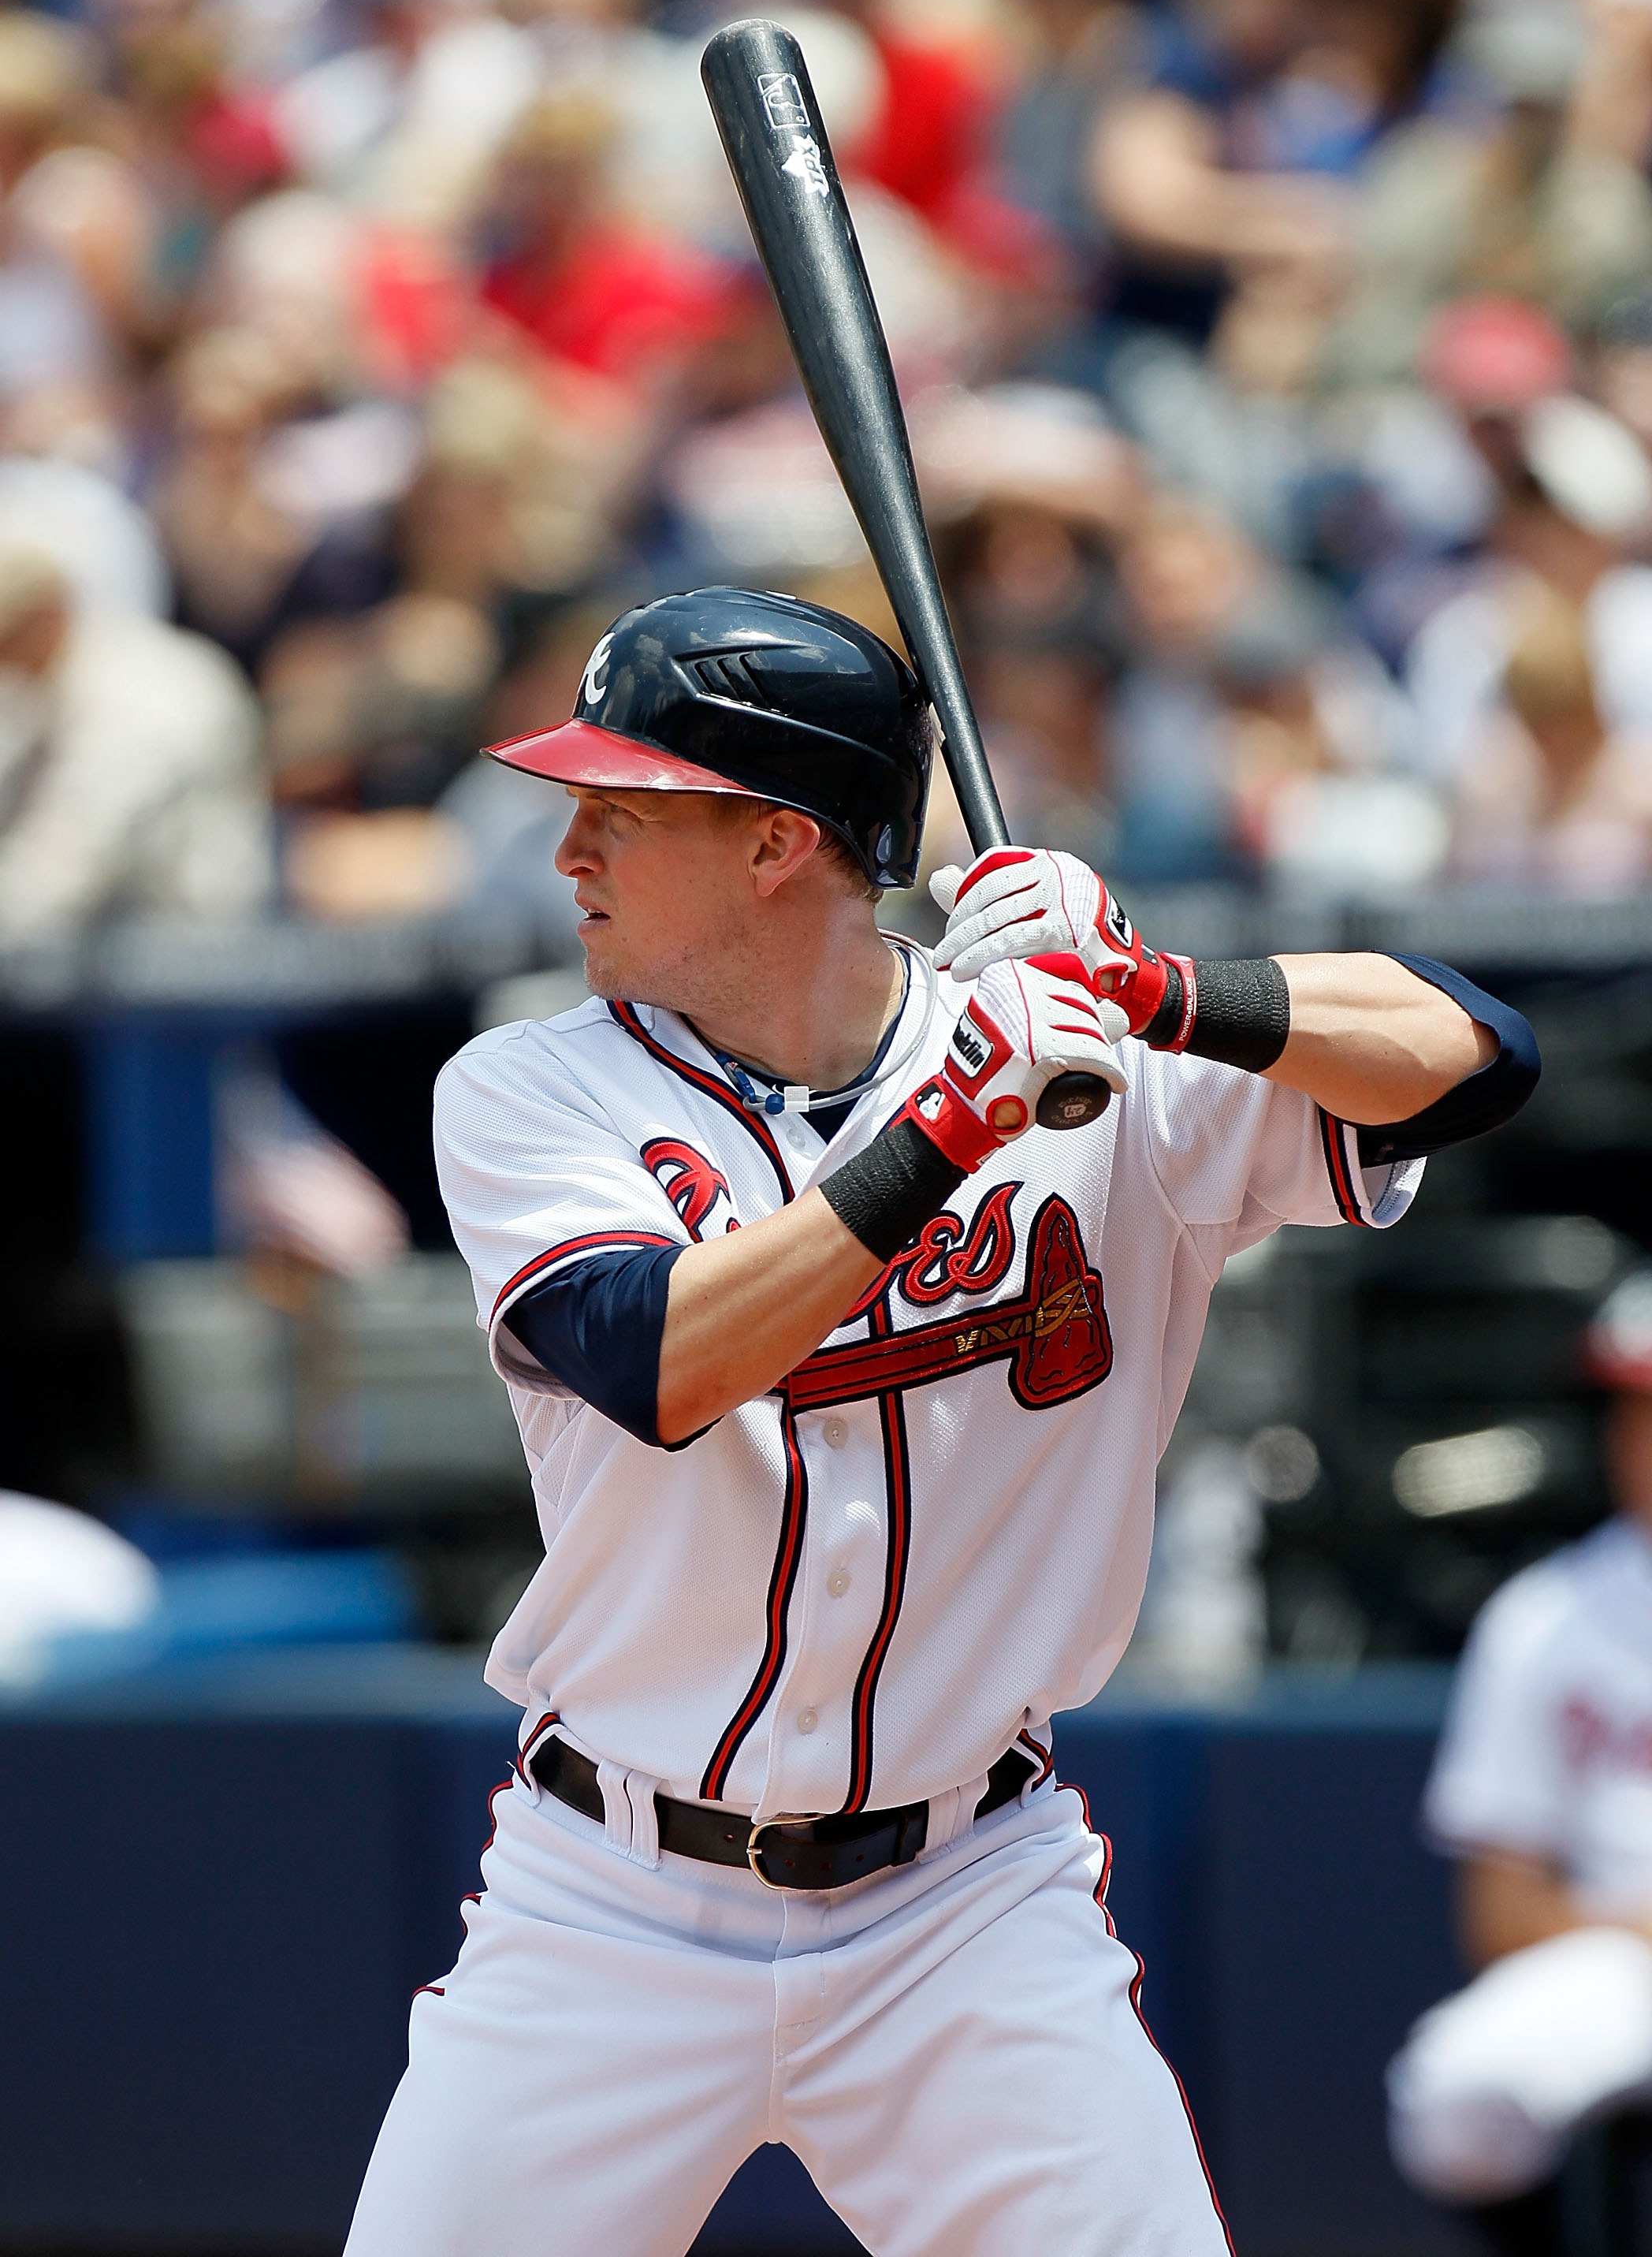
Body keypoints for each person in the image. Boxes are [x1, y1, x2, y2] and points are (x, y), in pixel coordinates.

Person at [345, 587, 1538, 2256]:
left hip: (963, 1905)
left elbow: (1476, 1056)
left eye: (621, 807)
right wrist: (948, 1130)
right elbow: (653, 1360)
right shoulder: (532, 1085)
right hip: (610, 1901)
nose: (570, 852)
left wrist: (1163, 988)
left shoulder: (1089, 1053)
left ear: (775, 843)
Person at [1387, 1271, 1652, 2254]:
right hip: (1622, 1956)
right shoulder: (1546, 1618)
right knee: (1461, 2091)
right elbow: (1498, 1916)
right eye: (1632, 1412)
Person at [0, 542, 270, 945]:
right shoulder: (57, 679)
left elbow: (63, 868)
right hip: (111, 950)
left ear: (45, 618)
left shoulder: (138, 698)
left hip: (189, 962)